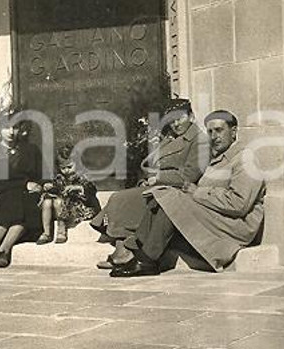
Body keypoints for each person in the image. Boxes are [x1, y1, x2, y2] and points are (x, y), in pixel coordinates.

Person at [109, 110, 266, 278]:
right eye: (210, 131)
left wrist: (198, 192)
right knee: (163, 192)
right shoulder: (218, 158)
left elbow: (239, 204)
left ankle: (147, 260)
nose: (214, 136)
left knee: (171, 198)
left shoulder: (245, 158)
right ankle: (138, 251)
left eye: (219, 130)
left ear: (233, 131)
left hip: (235, 226)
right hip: (216, 215)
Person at [90, 98, 210, 269]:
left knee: (123, 200)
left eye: (180, 118)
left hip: (176, 190)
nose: (175, 123)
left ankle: (124, 252)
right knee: (119, 198)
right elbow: (150, 163)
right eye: (172, 119)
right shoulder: (170, 138)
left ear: (191, 116)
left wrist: (158, 178)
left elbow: (189, 175)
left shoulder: (200, 140)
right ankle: (122, 249)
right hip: (157, 185)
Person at [0, 115, 43, 268]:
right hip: (5, 196)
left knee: (22, 203)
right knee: (9, 201)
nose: (11, 132)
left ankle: (4, 248)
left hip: (27, 197)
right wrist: (24, 183)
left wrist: (33, 185)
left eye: (15, 127)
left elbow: (40, 176)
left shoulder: (30, 150)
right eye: (6, 128)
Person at [36, 145, 101, 245]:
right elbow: (57, 188)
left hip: (81, 208)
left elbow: (92, 190)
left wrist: (78, 187)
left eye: (69, 167)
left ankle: (61, 230)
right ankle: (46, 232)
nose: (66, 170)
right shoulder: (60, 177)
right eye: (63, 168)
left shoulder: (83, 176)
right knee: (47, 201)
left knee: (58, 202)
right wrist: (48, 186)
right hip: (64, 208)